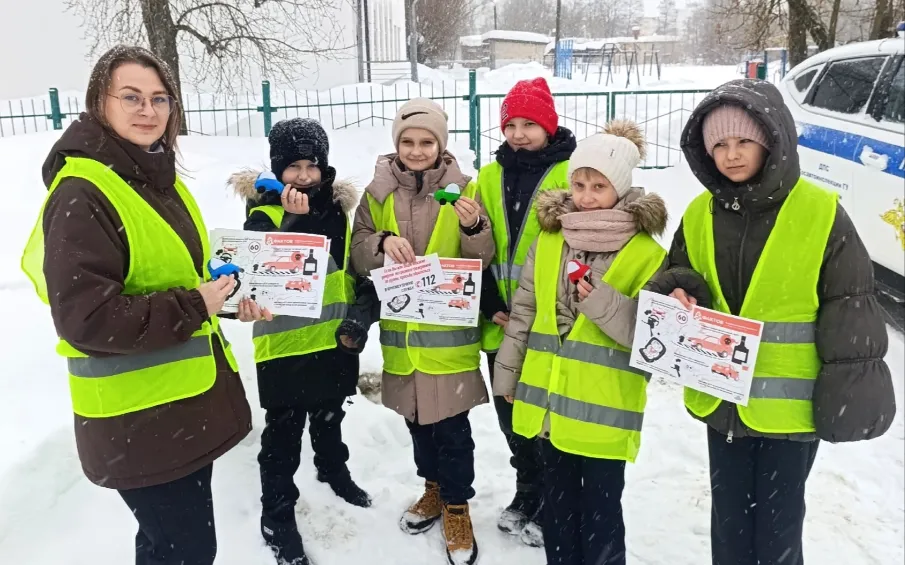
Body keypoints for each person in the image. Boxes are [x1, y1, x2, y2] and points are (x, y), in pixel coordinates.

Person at [644, 78, 896, 565]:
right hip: (723, 400)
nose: (731, 155)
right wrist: (676, 290)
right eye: (719, 144)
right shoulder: (699, 213)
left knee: (778, 533)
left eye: (744, 142)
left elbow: (851, 307)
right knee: (731, 527)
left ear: (772, 141)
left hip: (790, 411)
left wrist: (850, 400)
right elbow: (679, 274)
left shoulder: (820, 213)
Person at [19, 45, 253, 565]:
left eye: (159, 98)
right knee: (186, 552)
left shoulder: (153, 179)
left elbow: (177, 278)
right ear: (99, 103)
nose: (148, 110)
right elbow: (87, 317)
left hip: (178, 410)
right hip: (138, 421)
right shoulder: (84, 192)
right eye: (131, 97)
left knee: (166, 547)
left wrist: (229, 302)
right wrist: (196, 304)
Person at [493, 121, 668, 565]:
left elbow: (654, 341)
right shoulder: (551, 239)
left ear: (622, 188)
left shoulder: (646, 253)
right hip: (549, 402)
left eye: (599, 185)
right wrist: (508, 375)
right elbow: (526, 312)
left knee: (603, 511)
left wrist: (605, 304)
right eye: (579, 183)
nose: (586, 196)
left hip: (603, 411)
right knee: (559, 508)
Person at [350, 98, 495, 565]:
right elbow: (357, 250)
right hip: (402, 338)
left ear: (441, 144)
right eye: (408, 142)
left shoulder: (463, 189)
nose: (416, 150)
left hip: (448, 340)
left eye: (426, 141)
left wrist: (473, 224)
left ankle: (457, 507)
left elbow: (482, 256)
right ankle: (432, 489)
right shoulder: (377, 194)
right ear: (396, 145)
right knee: (416, 425)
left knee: (452, 430)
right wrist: (381, 242)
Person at [227, 117, 376, 565]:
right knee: (283, 435)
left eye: (312, 165)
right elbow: (255, 267)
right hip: (285, 346)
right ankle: (276, 513)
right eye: (293, 166)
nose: (304, 175)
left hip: (332, 341)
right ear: (277, 169)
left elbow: (347, 270)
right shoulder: (264, 212)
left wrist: (358, 317)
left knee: (330, 417)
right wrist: (294, 218)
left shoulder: (338, 211)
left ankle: (333, 469)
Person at [475, 77, 576, 546]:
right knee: (510, 414)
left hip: (550, 323)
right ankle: (527, 490)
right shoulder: (488, 177)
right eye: (510, 124)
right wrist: (491, 302)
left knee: (545, 418)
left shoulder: (569, 174)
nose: (518, 134)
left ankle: (553, 501)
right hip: (501, 325)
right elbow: (479, 244)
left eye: (529, 124)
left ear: (548, 126)